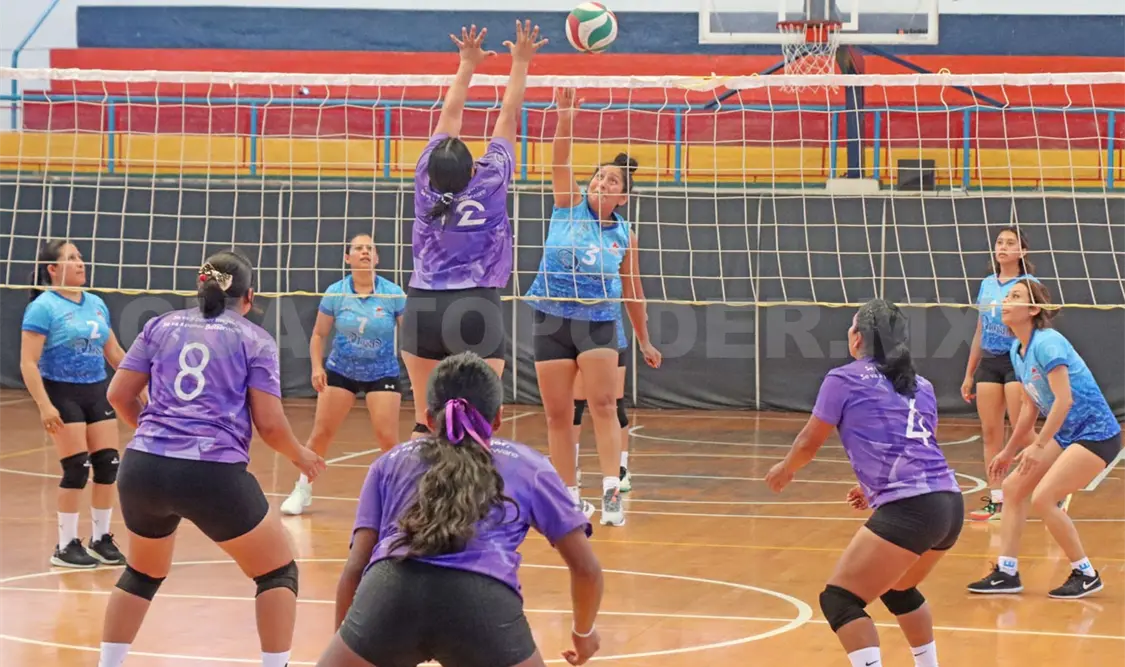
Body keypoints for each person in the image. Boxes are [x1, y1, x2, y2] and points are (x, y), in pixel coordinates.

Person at [97, 250, 326, 667]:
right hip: (210, 472)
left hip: (142, 467)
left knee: (142, 573)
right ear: (249, 296)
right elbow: (270, 425)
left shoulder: (160, 325)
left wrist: (153, 437)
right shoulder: (254, 339)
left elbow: (118, 395)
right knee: (277, 573)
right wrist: (301, 455)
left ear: (199, 285)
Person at [317, 352, 604, 667]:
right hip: (481, 603)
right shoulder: (530, 465)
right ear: (498, 418)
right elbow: (586, 568)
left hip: (390, 592)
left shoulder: (389, 462)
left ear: (428, 418)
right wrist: (583, 632)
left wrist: (349, 642)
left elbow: (354, 570)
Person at [765, 299, 964, 667]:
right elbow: (921, 444)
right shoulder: (923, 385)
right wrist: (873, 487)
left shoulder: (843, 378)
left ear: (857, 338)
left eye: (851, 326)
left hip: (913, 509)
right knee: (900, 590)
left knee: (840, 600)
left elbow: (810, 441)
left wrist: (786, 467)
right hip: (949, 504)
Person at [400, 21, 546, 438]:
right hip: (477, 306)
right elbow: (508, 113)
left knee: (423, 422)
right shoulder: (492, 178)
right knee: (483, 423)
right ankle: (480, 504)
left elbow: (450, 114)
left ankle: (418, 502)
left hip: (423, 305)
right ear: (471, 166)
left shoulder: (425, 179)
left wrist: (466, 63)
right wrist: (520, 62)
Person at [525, 87, 661, 527]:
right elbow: (559, 160)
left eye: (613, 182)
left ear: (623, 197)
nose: (603, 184)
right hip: (551, 318)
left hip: (599, 323)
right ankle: (567, 497)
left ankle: (611, 495)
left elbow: (633, 291)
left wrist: (643, 338)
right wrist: (565, 117)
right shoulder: (566, 206)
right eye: (599, 177)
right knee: (558, 414)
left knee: (603, 405)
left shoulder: (625, 235)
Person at [967, 279, 1120, 599]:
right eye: (1007, 295)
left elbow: (1063, 401)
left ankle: (1086, 573)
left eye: (1016, 296)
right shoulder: (1016, 349)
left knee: (1044, 497)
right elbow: (1030, 406)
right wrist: (1010, 450)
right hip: (1066, 434)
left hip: (1096, 434)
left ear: (1033, 309)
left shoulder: (1048, 343)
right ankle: (1007, 572)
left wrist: (1038, 446)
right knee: (1012, 488)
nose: (1007, 300)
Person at [20, 240, 131, 569]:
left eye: (80, 257)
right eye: (71, 258)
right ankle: (65, 545)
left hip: (95, 390)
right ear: (52, 270)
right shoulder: (43, 307)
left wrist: (141, 388)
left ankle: (101, 539)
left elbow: (115, 353)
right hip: (61, 392)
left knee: (108, 465)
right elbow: (28, 362)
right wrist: (44, 405)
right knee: (76, 468)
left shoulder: (95, 303)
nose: (80, 263)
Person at [281, 233, 406, 516]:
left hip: (382, 372)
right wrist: (316, 367)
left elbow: (410, 336)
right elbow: (318, 334)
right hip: (341, 371)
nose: (364, 252)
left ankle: (399, 496)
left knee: (387, 437)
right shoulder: (336, 292)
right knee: (321, 434)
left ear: (376, 258)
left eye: (369, 248)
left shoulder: (393, 293)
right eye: (358, 248)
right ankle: (302, 489)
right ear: (347, 258)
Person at [961, 226, 1039, 522]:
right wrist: (970, 374)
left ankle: (1055, 485)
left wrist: (1033, 366)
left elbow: (1037, 328)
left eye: (1010, 242)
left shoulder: (1029, 284)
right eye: (999, 242)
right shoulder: (986, 284)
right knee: (990, 433)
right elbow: (980, 329)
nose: (1003, 246)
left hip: (1017, 361)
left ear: (1022, 251)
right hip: (990, 362)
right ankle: (996, 500)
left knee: (1023, 432)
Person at [572, 305, 650, 497]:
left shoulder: (614, 275)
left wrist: (642, 320)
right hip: (575, 334)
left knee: (615, 406)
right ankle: (571, 468)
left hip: (611, 337)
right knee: (575, 407)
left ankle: (621, 469)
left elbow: (635, 298)